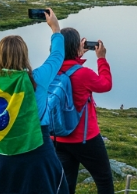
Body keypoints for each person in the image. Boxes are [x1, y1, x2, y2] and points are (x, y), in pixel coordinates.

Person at [0, 8, 68, 194]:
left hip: (2, 154)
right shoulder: (36, 80)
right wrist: (55, 29)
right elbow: (57, 56)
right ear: (24, 55)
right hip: (38, 155)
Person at [54, 28, 114, 194]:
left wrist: (75, 57)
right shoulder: (83, 74)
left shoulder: (49, 70)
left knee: (65, 185)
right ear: (75, 46)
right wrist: (101, 59)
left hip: (57, 138)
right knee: (104, 181)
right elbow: (105, 84)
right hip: (85, 138)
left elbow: (65, 68)